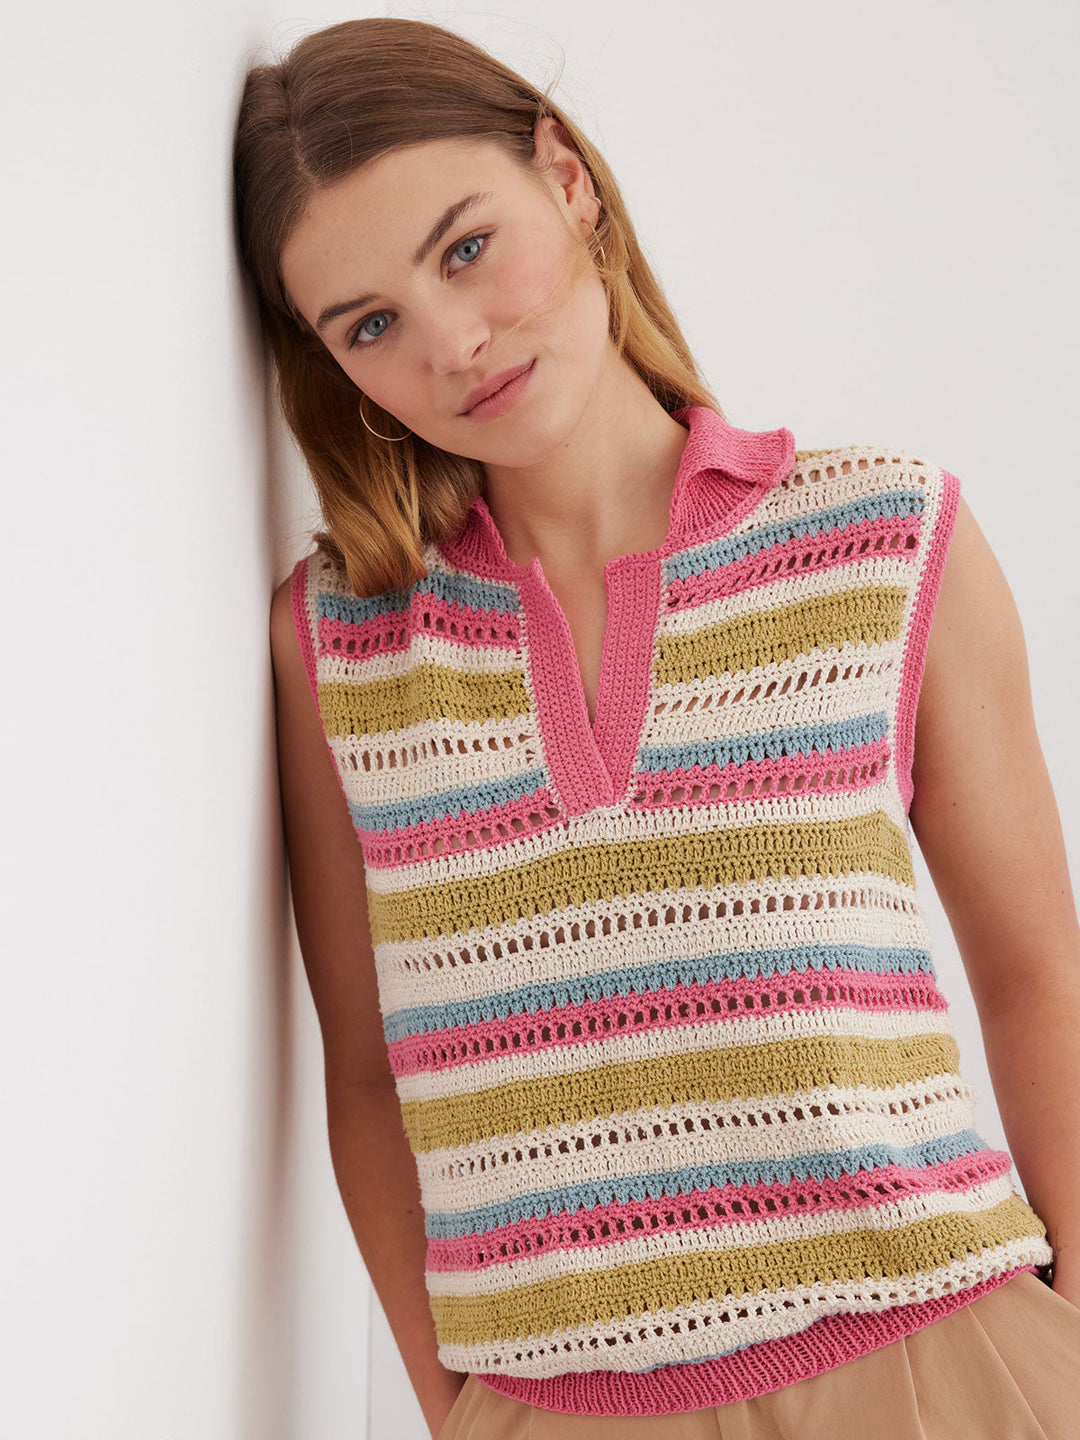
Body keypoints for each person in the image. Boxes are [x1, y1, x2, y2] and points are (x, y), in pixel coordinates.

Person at [234, 16, 1080, 1439]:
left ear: (566, 179)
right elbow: (369, 1077)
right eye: (369, 325)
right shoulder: (339, 645)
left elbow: (1036, 973)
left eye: (465, 248)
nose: (454, 343)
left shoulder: (883, 536)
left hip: (944, 1364)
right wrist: (464, 1411)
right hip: (557, 1405)